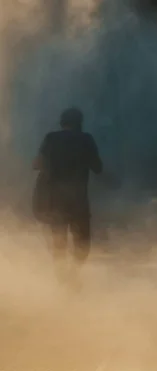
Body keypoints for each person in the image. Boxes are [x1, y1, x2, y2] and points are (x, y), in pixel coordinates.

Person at [33, 108, 103, 288]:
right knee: (83, 242)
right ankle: (73, 275)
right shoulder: (86, 139)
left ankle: (62, 278)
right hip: (78, 200)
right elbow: (98, 168)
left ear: (61, 122)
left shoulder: (51, 138)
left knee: (59, 242)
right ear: (80, 123)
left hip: (55, 201)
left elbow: (37, 164)